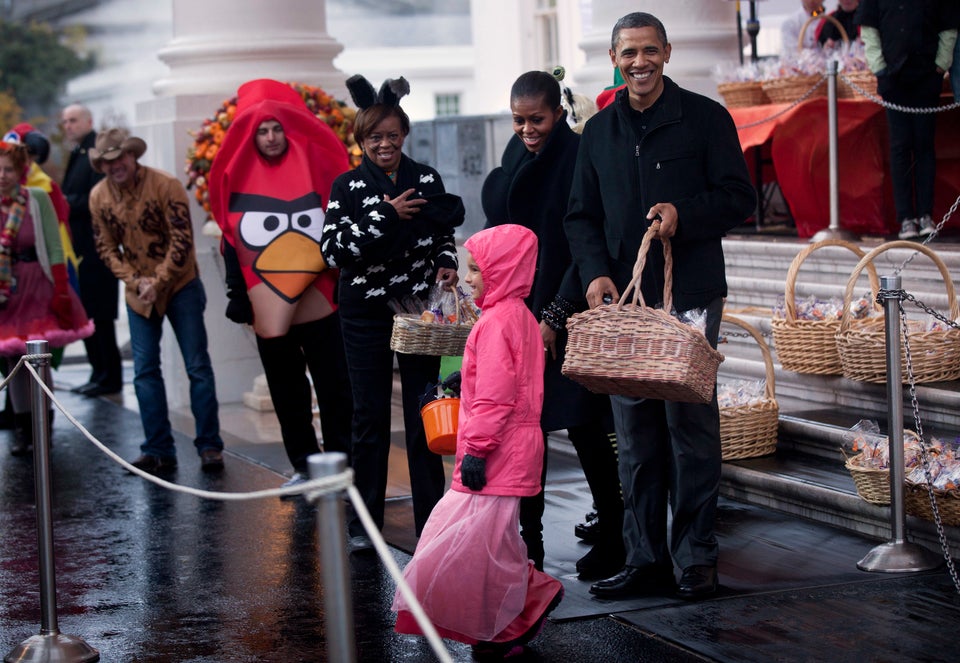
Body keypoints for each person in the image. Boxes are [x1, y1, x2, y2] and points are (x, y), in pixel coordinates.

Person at [563, 12, 756, 600]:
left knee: (691, 429)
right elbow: (580, 215)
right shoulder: (598, 132)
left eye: (650, 51)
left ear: (667, 53)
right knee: (637, 435)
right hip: (624, 302)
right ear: (616, 60)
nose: (639, 63)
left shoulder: (705, 118)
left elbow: (739, 197)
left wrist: (684, 214)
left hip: (690, 295)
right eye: (629, 54)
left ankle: (695, 558)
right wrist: (595, 275)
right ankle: (645, 558)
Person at [392, 223, 563, 658]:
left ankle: (523, 606)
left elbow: (495, 397)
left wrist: (477, 451)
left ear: (501, 270)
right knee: (493, 540)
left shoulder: (495, 323)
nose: (468, 278)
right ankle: (511, 617)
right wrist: (463, 380)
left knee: (470, 540)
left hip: (494, 454)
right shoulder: (519, 316)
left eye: (476, 269)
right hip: (514, 451)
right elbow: (508, 385)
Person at [481, 69, 624, 579]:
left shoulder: (576, 153)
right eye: (518, 120)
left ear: (558, 112)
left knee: (586, 426)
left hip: (569, 302)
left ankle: (614, 534)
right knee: (527, 433)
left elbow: (582, 238)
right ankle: (530, 545)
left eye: (536, 119)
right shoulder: (518, 155)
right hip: (523, 308)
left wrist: (555, 315)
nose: (526, 129)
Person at [322, 75, 464, 551]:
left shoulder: (425, 178)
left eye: (391, 134)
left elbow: (443, 228)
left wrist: (446, 260)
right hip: (363, 313)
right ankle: (364, 524)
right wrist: (384, 215)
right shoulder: (347, 186)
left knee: (427, 411)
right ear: (361, 141)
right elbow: (332, 251)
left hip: (419, 315)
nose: (384, 144)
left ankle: (432, 521)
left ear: (404, 134)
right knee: (369, 419)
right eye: (374, 137)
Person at [208, 79, 353, 492]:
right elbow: (231, 239)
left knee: (335, 386)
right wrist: (238, 294)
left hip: (324, 299)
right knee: (287, 391)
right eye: (261, 130)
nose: (270, 138)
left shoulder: (320, 169)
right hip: (266, 304)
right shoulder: (238, 178)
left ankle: (341, 463)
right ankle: (305, 466)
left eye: (276, 128)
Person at [88, 128, 225, 474]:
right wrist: (136, 282)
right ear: (102, 165)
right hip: (138, 291)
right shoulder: (98, 197)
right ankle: (158, 449)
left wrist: (159, 281)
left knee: (197, 366)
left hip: (180, 284)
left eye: (120, 157)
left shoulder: (166, 184)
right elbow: (105, 248)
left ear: (133, 156)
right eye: (108, 161)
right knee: (145, 371)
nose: (115, 165)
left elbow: (182, 240)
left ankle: (210, 445)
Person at [0, 139, 93, 455]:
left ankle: (43, 428)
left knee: (38, 359)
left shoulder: (36, 198)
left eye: (8, 169)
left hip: (36, 283)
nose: (2, 175)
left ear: (20, 171)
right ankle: (23, 431)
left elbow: (54, 244)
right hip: (7, 289)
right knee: (12, 358)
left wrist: (62, 290)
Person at [857, 0, 958, 240]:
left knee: (924, 145)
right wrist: (879, 68)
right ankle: (905, 218)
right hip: (893, 77)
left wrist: (940, 65)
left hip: (926, 76)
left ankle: (925, 215)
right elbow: (869, 30)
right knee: (900, 146)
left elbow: (948, 27)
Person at [61, 103, 123, 397]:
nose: (68, 126)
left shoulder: (95, 154)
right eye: (65, 121)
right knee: (89, 314)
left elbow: (96, 198)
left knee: (101, 315)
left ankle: (108, 375)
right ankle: (98, 372)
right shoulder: (78, 153)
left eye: (73, 120)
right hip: (81, 249)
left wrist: (64, 202)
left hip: (97, 249)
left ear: (88, 120)